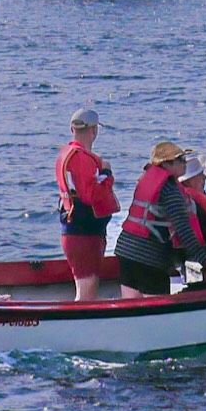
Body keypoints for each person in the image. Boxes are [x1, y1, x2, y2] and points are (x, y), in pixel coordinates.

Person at [114, 141, 206, 297]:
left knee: (131, 303)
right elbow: (183, 230)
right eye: (180, 160)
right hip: (149, 256)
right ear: (167, 164)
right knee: (157, 302)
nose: (184, 163)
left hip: (125, 250)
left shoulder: (146, 179)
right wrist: (205, 259)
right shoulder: (171, 191)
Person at [54, 107, 119, 301]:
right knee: (87, 289)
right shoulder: (81, 159)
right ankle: (78, 327)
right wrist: (107, 174)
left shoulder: (68, 154)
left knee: (86, 286)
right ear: (94, 131)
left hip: (78, 230)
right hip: (83, 234)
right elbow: (90, 196)